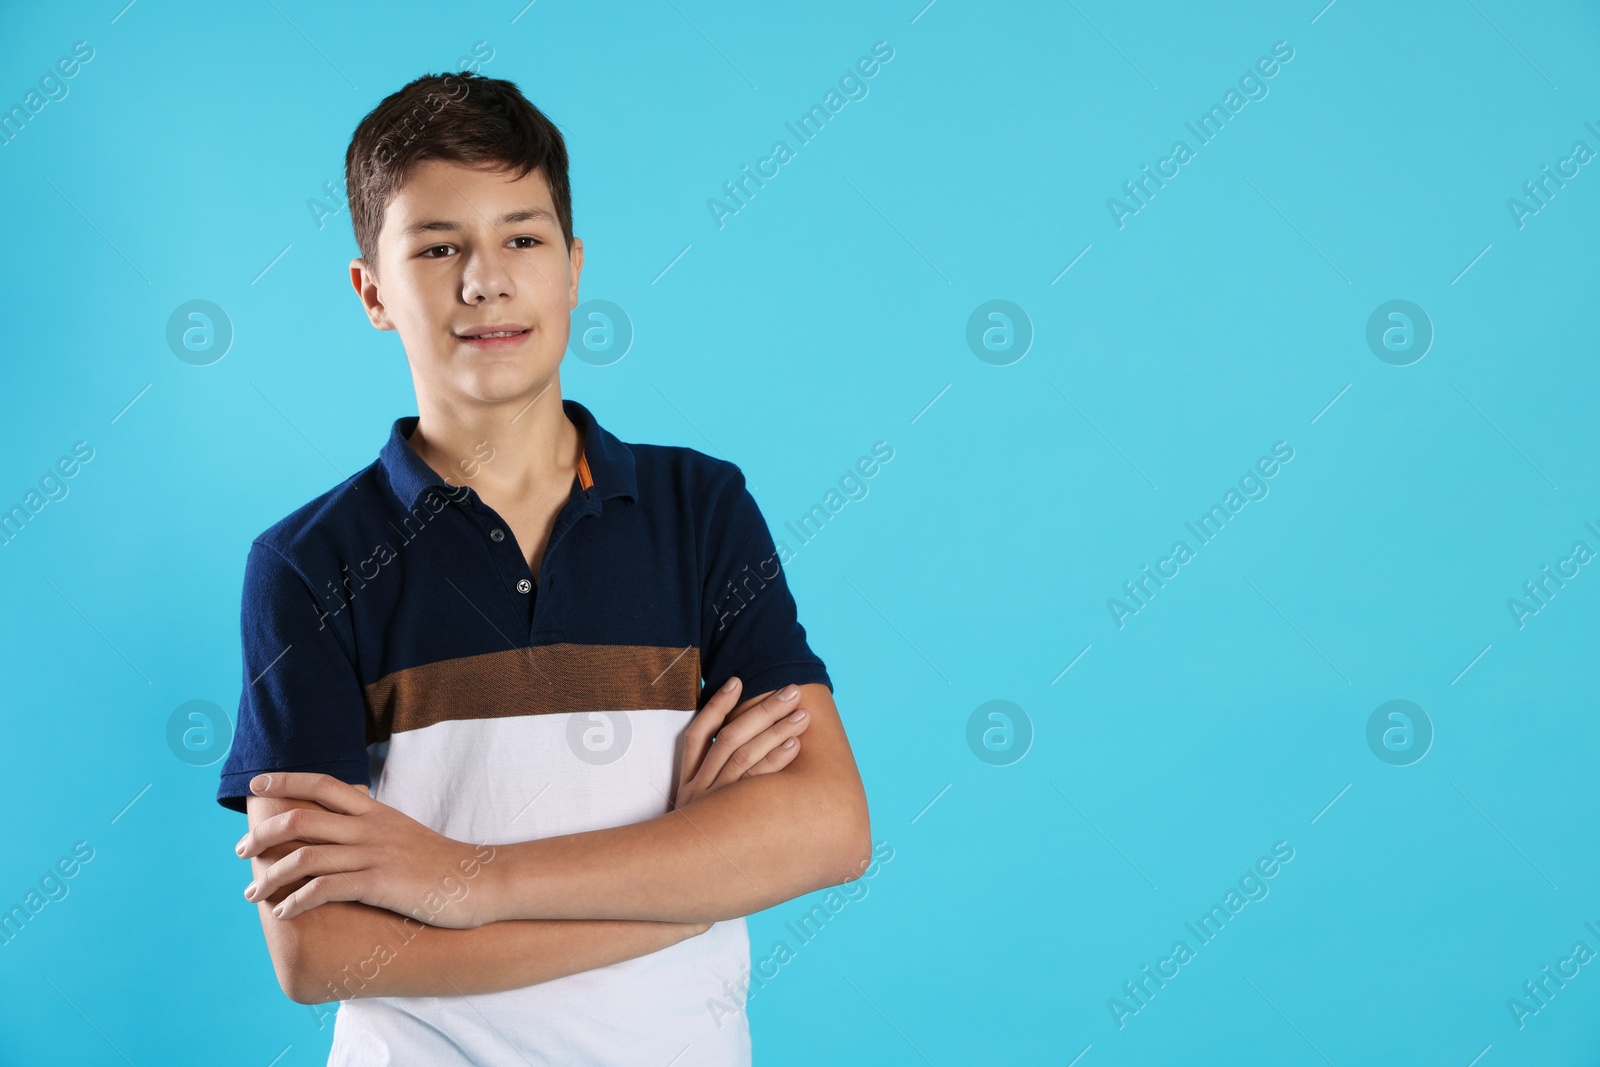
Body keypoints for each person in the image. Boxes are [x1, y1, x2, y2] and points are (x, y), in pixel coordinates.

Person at [215, 70, 871, 1066]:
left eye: (521, 239)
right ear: (373, 291)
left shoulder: (700, 511)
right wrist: (681, 891)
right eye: (438, 248)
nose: (486, 281)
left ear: (571, 267)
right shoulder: (309, 565)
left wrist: (470, 878)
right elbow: (320, 951)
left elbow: (827, 827)